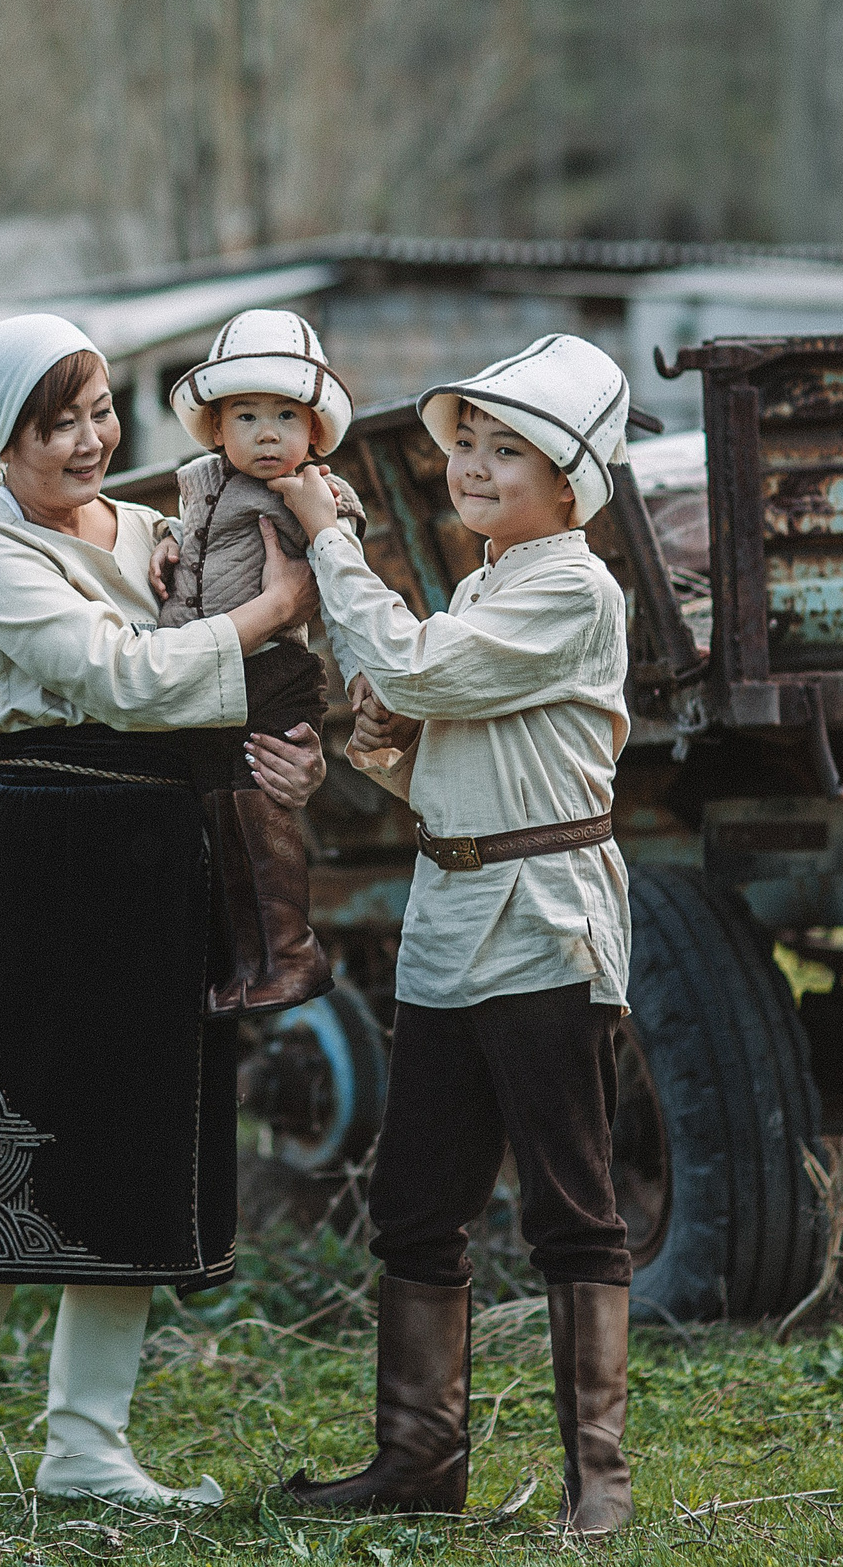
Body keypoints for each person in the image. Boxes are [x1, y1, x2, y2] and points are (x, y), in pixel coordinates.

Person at [0, 312, 328, 1508]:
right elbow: (127, 680)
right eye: (59, 424)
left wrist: (293, 756)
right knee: (14, 1141)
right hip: (53, 840)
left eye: (98, 413)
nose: (91, 441)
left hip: (163, 844)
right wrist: (266, 616)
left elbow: (224, 694)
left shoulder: (151, 530)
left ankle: (85, 1445)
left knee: (141, 1137)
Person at [269, 333, 638, 1536]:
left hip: (541, 925)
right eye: (467, 444)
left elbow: (412, 663)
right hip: (451, 919)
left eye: (506, 450)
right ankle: (418, 1464)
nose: (471, 467)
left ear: (570, 485)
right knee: (420, 1202)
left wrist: (332, 538)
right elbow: (448, 762)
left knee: (568, 1205)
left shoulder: (569, 587)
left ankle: (598, 1485)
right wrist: (369, 746)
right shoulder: (488, 585)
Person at [149, 309, 366, 1014]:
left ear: (313, 430)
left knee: (258, 803)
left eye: (285, 416)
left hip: (272, 669)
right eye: (247, 416)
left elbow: (344, 542)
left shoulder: (306, 487)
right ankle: (249, 962)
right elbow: (190, 541)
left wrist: (328, 517)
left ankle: (293, 953)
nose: (267, 433)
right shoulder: (203, 486)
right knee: (221, 812)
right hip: (212, 672)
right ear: (217, 428)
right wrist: (167, 543)